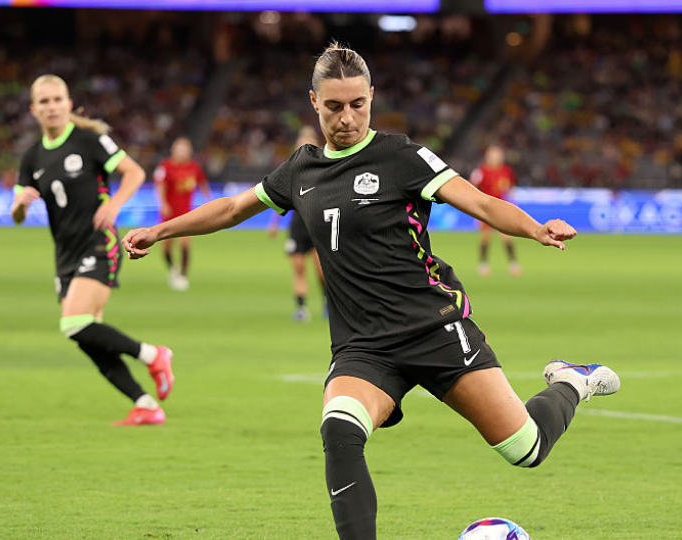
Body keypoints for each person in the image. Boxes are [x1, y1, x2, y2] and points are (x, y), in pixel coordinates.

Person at [122, 44, 619, 539]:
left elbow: (480, 202)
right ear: (313, 101)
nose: (347, 117)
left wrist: (535, 229)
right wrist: (161, 231)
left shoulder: (401, 155)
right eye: (334, 106)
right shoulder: (301, 169)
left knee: (525, 449)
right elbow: (231, 209)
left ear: (372, 98)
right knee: (340, 430)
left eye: (357, 104)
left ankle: (572, 382)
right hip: (364, 347)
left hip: (435, 329)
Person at [11, 74, 175, 426]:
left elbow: (134, 173)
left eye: (58, 99)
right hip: (65, 254)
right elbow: (18, 216)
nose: (52, 107)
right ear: (33, 109)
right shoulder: (32, 156)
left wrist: (114, 204)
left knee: (74, 323)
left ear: (69, 104)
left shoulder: (89, 140)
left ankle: (153, 354)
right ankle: (145, 403)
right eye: (44, 101)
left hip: (98, 244)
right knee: (87, 336)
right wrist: (21, 204)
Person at [266, 125, 326, 321]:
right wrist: (274, 223)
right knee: (298, 269)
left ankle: (327, 302)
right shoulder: (290, 171)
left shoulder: (325, 169)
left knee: (322, 272)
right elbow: (279, 197)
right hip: (298, 227)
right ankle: (301, 308)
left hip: (318, 227)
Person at [153, 136, 211, 291]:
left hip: (186, 213)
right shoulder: (165, 166)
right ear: (173, 150)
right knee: (166, 247)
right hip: (169, 212)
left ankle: (182, 276)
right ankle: (173, 269)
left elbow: (202, 183)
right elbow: (160, 186)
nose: (182, 152)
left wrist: (209, 199)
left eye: (185, 148)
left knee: (185, 244)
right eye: (180, 148)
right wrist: (163, 203)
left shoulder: (194, 167)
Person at [469, 144, 521, 276]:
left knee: (507, 237)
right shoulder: (481, 171)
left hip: (501, 208)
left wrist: (512, 203)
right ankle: (483, 263)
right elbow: (472, 188)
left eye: (497, 155)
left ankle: (513, 264)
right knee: (485, 238)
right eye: (493, 155)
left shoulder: (506, 171)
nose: (495, 158)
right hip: (486, 209)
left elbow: (510, 189)